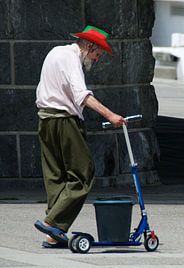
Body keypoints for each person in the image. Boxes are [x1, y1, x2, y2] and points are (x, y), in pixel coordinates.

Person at [34, 25, 126, 248]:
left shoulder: (54, 52)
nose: (96, 59)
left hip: (45, 120)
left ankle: (53, 233)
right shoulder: (72, 60)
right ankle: (52, 222)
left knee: (56, 175)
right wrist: (111, 114)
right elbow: (82, 95)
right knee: (83, 173)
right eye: (97, 53)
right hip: (65, 121)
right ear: (88, 45)